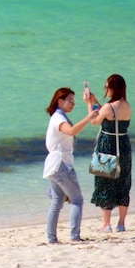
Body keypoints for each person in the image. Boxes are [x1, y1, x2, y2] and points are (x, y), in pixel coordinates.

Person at [43, 86, 98, 243]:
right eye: (70, 101)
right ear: (60, 101)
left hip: (54, 165)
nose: (73, 104)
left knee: (57, 202)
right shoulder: (59, 118)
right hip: (60, 164)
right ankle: (74, 236)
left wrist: (89, 103)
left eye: (74, 101)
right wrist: (88, 118)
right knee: (77, 200)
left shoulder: (57, 116)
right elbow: (72, 131)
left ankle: (51, 238)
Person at [87, 73, 133, 233]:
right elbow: (107, 112)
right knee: (123, 183)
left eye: (107, 87)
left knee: (106, 182)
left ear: (112, 88)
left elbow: (94, 120)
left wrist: (88, 103)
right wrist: (94, 101)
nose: (105, 89)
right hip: (124, 145)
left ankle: (106, 224)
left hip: (108, 145)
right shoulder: (126, 105)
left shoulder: (109, 107)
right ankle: (121, 223)